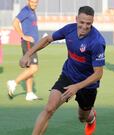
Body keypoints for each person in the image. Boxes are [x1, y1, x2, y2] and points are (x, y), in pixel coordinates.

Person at [19, 6, 105, 135]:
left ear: (92, 22)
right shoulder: (69, 29)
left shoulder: (97, 41)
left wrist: (77, 87)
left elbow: (98, 73)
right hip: (68, 76)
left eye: (88, 24)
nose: (84, 26)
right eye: (81, 22)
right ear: (76, 19)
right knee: (49, 109)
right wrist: (28, 54)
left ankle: (91, 118)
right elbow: (47, 39)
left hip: (87, 84)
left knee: (83, 117)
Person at [8, 0, 40, 101]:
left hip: (32, 44)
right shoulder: (25, 10)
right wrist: (23, 36)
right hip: (28, 43)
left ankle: (29, 93)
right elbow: (15, 22)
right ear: (28, 1)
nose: (34, 4)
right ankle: (14, 82)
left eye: (36, 2)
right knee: (34, 68)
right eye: (32, 2)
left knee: (30, 68)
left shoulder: (32, 10)